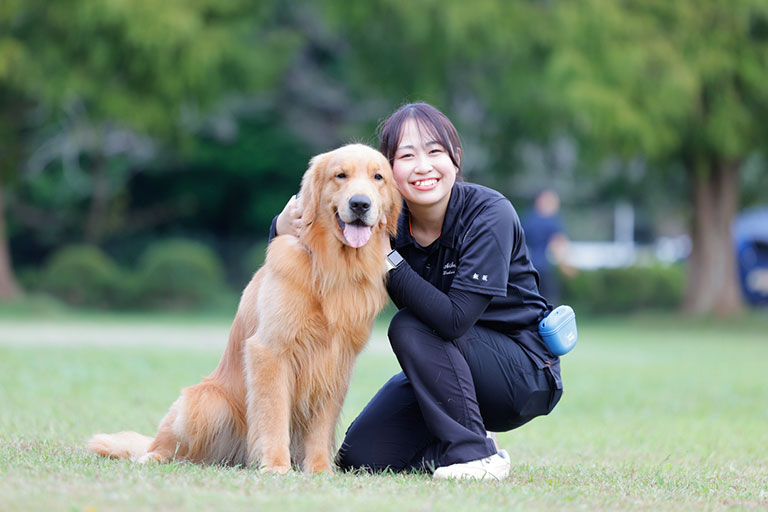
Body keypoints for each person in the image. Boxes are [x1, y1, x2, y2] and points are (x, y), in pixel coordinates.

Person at [272, 102, 562, 481]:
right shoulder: (387, 219)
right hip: (444, 370)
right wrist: (279, 227)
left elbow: (454, 320)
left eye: (435, 152)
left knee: (410, 325)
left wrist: (387, 257)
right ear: (389, 170)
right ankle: (463, 437)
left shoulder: (491, 213)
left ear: (455, 159)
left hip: (522, 371)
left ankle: (474, 455)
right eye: (407, 155)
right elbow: (322, 247)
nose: (423, 166)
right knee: (362, 456)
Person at [522, 189, 573, 305]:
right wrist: (565, 265)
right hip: (545, 268)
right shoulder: (551, 222)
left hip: (528, 266)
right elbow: (557, 245)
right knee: (549, 301)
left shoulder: (528, 219)